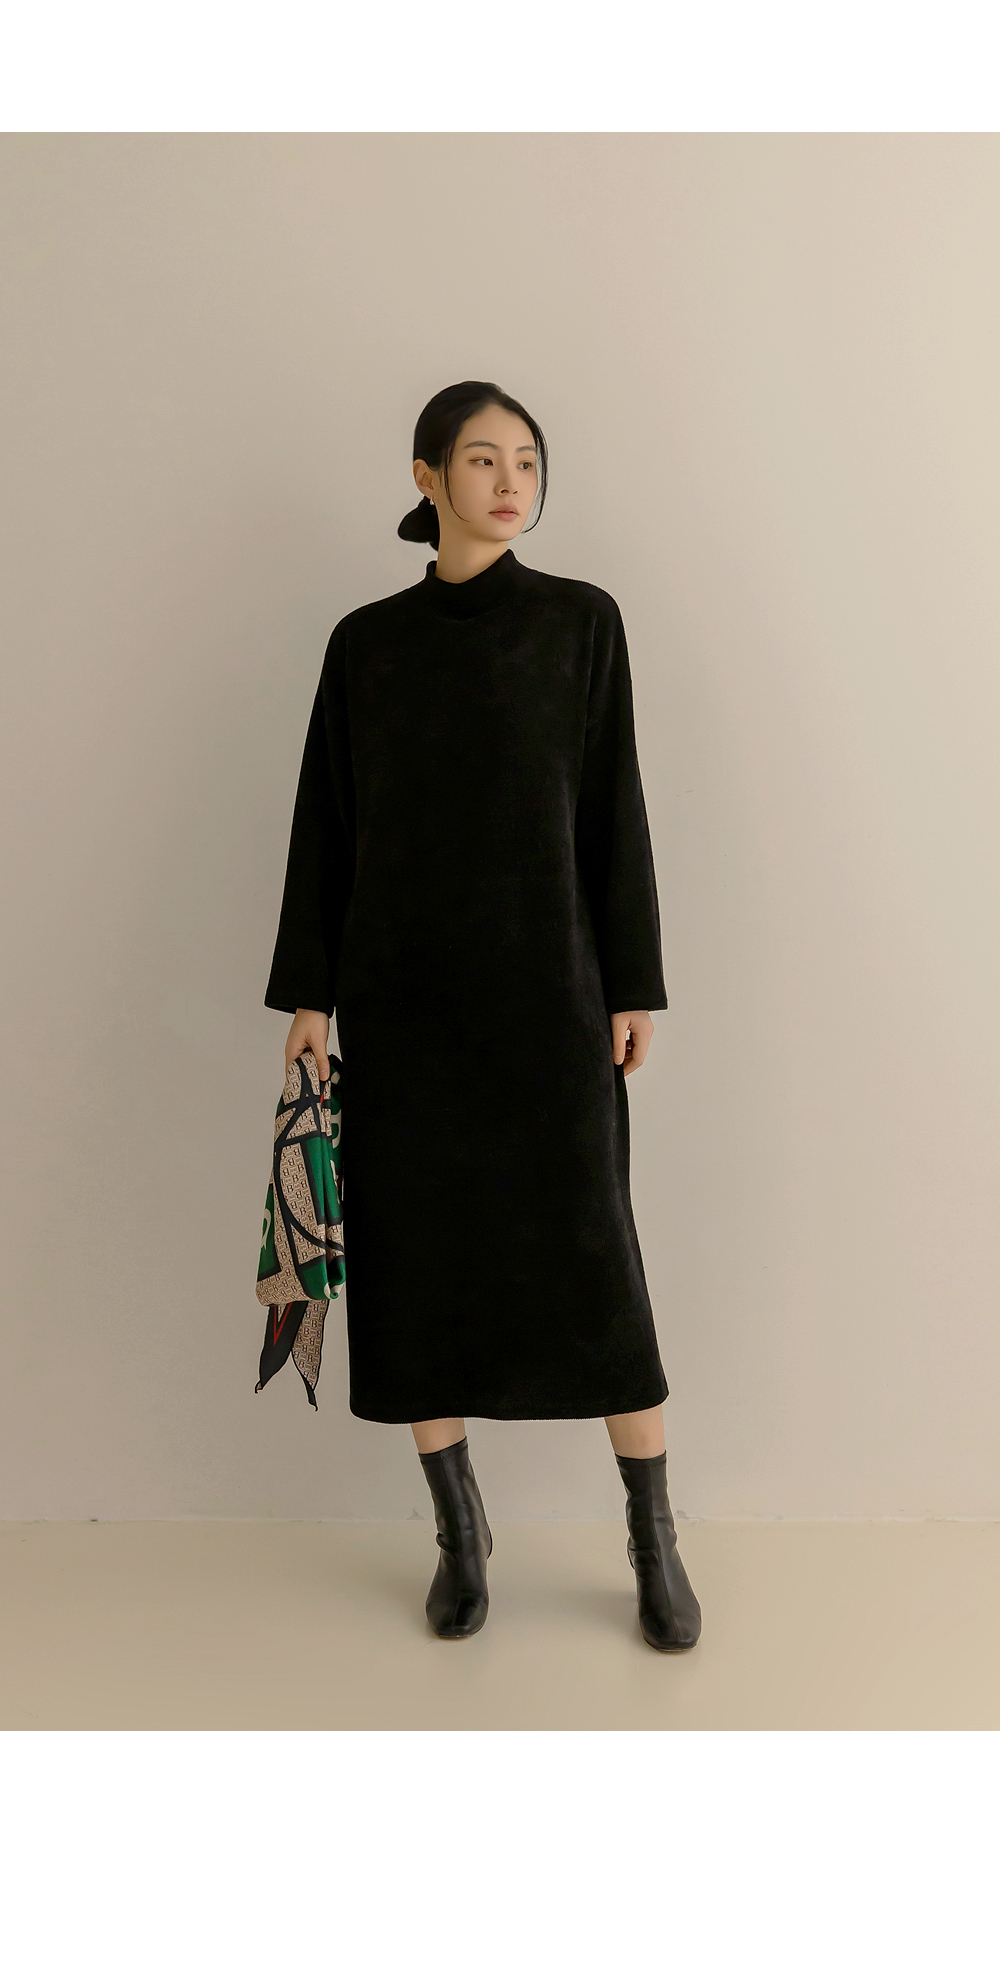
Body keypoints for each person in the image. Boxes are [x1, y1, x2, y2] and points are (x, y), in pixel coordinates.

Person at [264, 378, 701, 1653]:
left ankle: (653, 1537)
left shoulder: (580, 623)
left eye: (526, 461)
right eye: (481, 459)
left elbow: (614, 808)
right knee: (421, 1271)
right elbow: (326, 822)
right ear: (426, 478)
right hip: (403, 1010)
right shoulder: (367, 644)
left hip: (551, 999)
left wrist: (632, 982)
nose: (510, 482)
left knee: (597, 1266)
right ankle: (461, 1536)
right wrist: (308, 995)